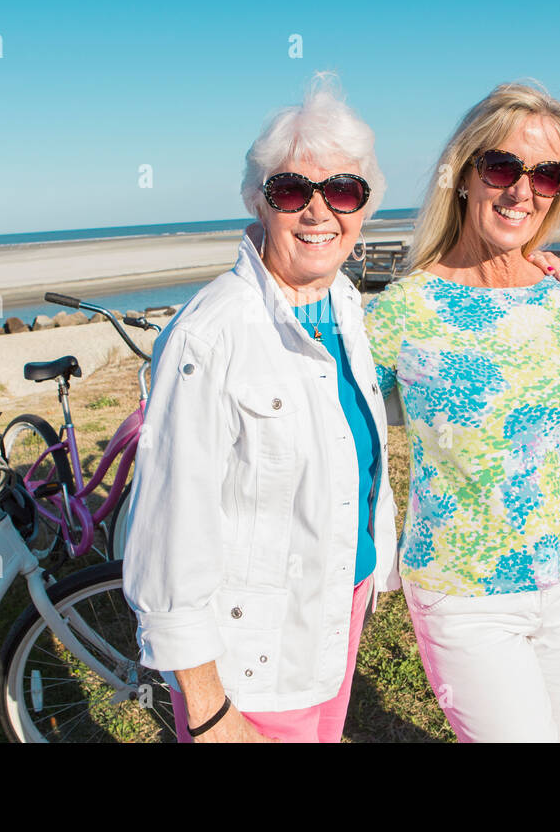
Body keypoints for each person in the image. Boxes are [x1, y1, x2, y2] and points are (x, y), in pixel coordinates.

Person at [121, 76, 399, 743]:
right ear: (259, 200)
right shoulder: (209, 334)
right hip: (257, 656)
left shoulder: (348, 310)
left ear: (365, 207)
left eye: (342, 191)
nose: (318, 212)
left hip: (336, 612)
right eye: (291, 191)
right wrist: (210, 708)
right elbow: (166, 529)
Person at [364, 83, 560, 742]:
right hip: (464, 593)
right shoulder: (404, 310)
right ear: (465, 176)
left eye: (547, 174)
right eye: (502, 167)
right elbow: (323, 417)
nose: (521, 190)